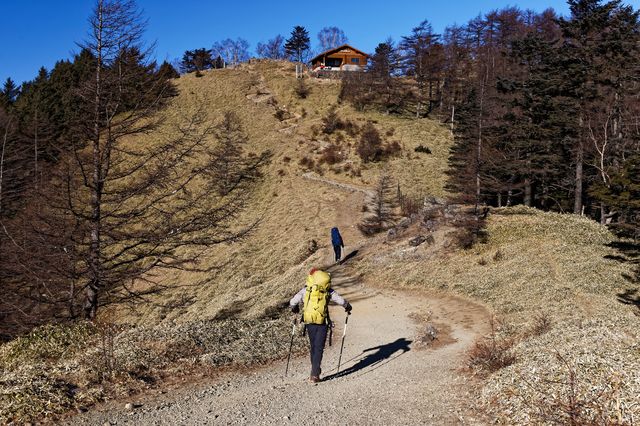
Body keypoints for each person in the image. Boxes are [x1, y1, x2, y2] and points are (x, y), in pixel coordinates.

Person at [290, 268, 352, 383]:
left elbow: (293, 302)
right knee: (319, 347)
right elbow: (340, 300)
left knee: (313, 346)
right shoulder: (327, 289)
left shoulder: (306, 289)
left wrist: (295, 308)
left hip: (309, 322)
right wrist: (347, 306)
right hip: (322, 322)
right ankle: (315, 374)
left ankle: (315, 371)